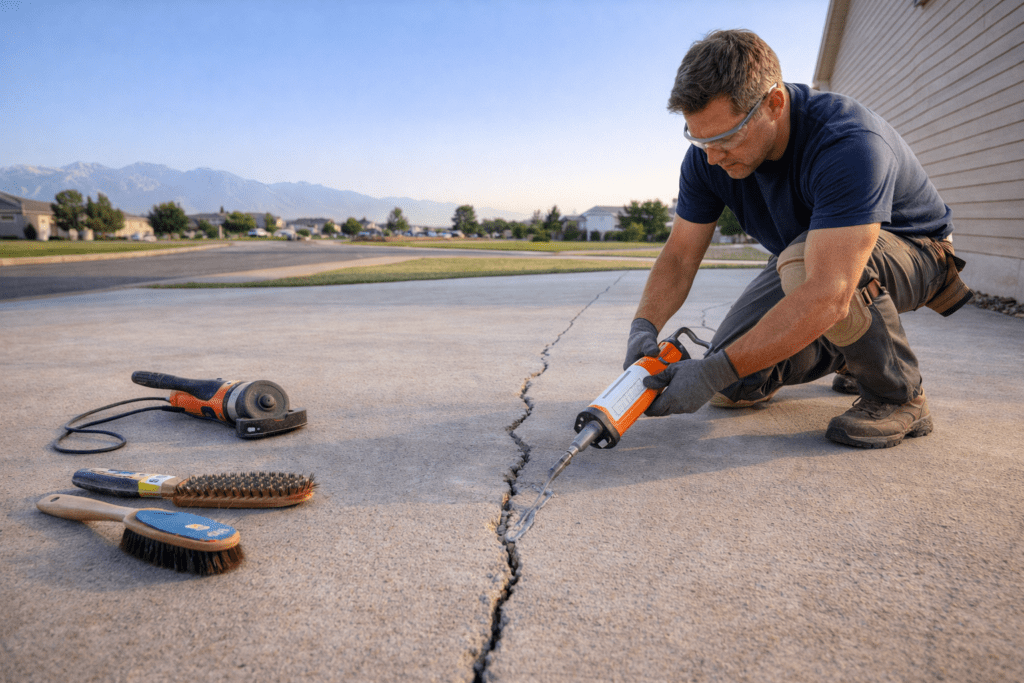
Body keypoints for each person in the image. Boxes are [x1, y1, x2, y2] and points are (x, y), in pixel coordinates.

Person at [625, 29, 972, 449]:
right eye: (699, 139)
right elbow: (680, 256)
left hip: (917, 250)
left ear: (774, 103)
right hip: (813, 256)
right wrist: (642, 328)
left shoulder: (848, 141)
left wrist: (715, 368)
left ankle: (897, 394)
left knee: (802, 270)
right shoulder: (707, 159)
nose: (712, 156)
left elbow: (828, 290)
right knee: (729, 387)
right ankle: (851, 354)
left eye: (726, 138)